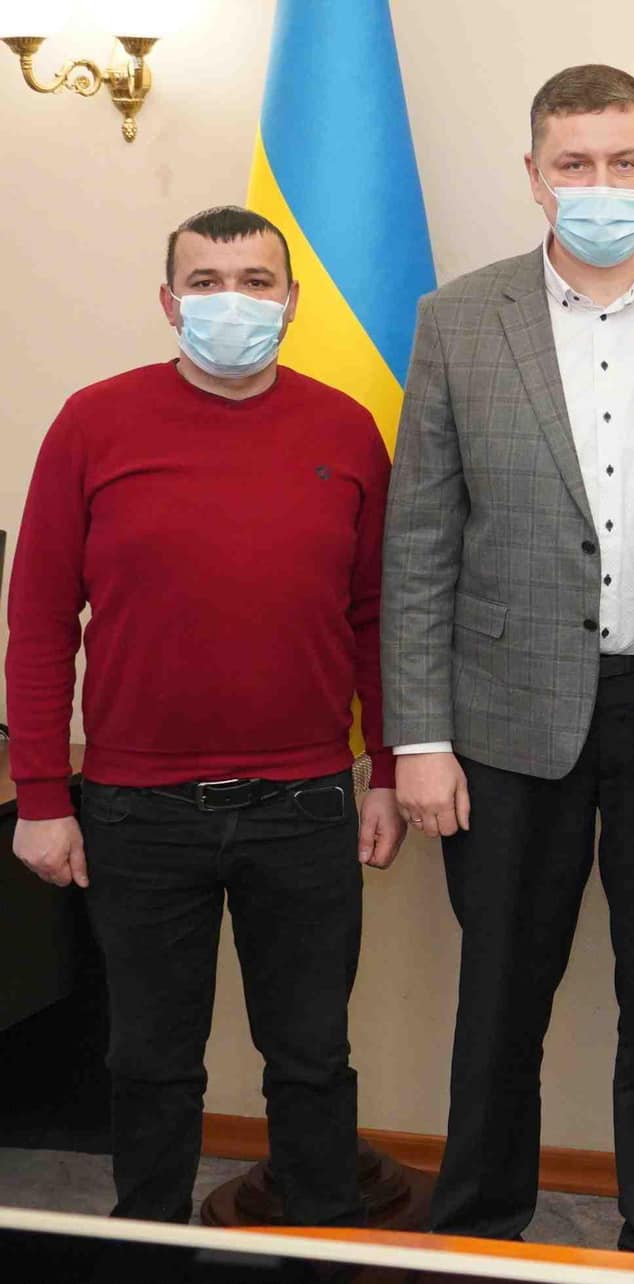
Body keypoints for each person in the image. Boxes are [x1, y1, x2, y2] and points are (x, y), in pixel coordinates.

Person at [380, 64, 634, 1254]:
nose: (600, 184)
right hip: (502, 721)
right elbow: (420, 542)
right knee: (500, 997)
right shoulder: (459, 318)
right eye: (574, 163)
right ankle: (478, 1232)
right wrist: (418, 738)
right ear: (535, 175)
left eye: (623, 161)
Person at [6, 206, 404, 1226]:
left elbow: (377, 616)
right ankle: (149, 1244)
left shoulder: (345, 429)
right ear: (169, 301)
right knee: (149, 1062)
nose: (234, 301)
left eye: (256, 281)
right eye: (207, 282)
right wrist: (42, 797)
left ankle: (315, 1244)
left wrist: (391, 772)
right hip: (137, 811)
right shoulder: (94, 422)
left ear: (292, 300)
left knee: (311, 1058)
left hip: (306, 801)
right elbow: (40, 619)